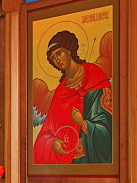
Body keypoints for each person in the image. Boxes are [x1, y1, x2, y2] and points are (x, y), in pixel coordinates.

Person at [33, 30, 113, 164]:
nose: (57, 59)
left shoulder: (93, 75)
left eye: (59, 53)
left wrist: (82, 123)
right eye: (53, 58)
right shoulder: (61, 90)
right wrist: (53, 142)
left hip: (91, 156)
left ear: (69, 50)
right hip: (69, 157)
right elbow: (49, 127)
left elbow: (106, 121)